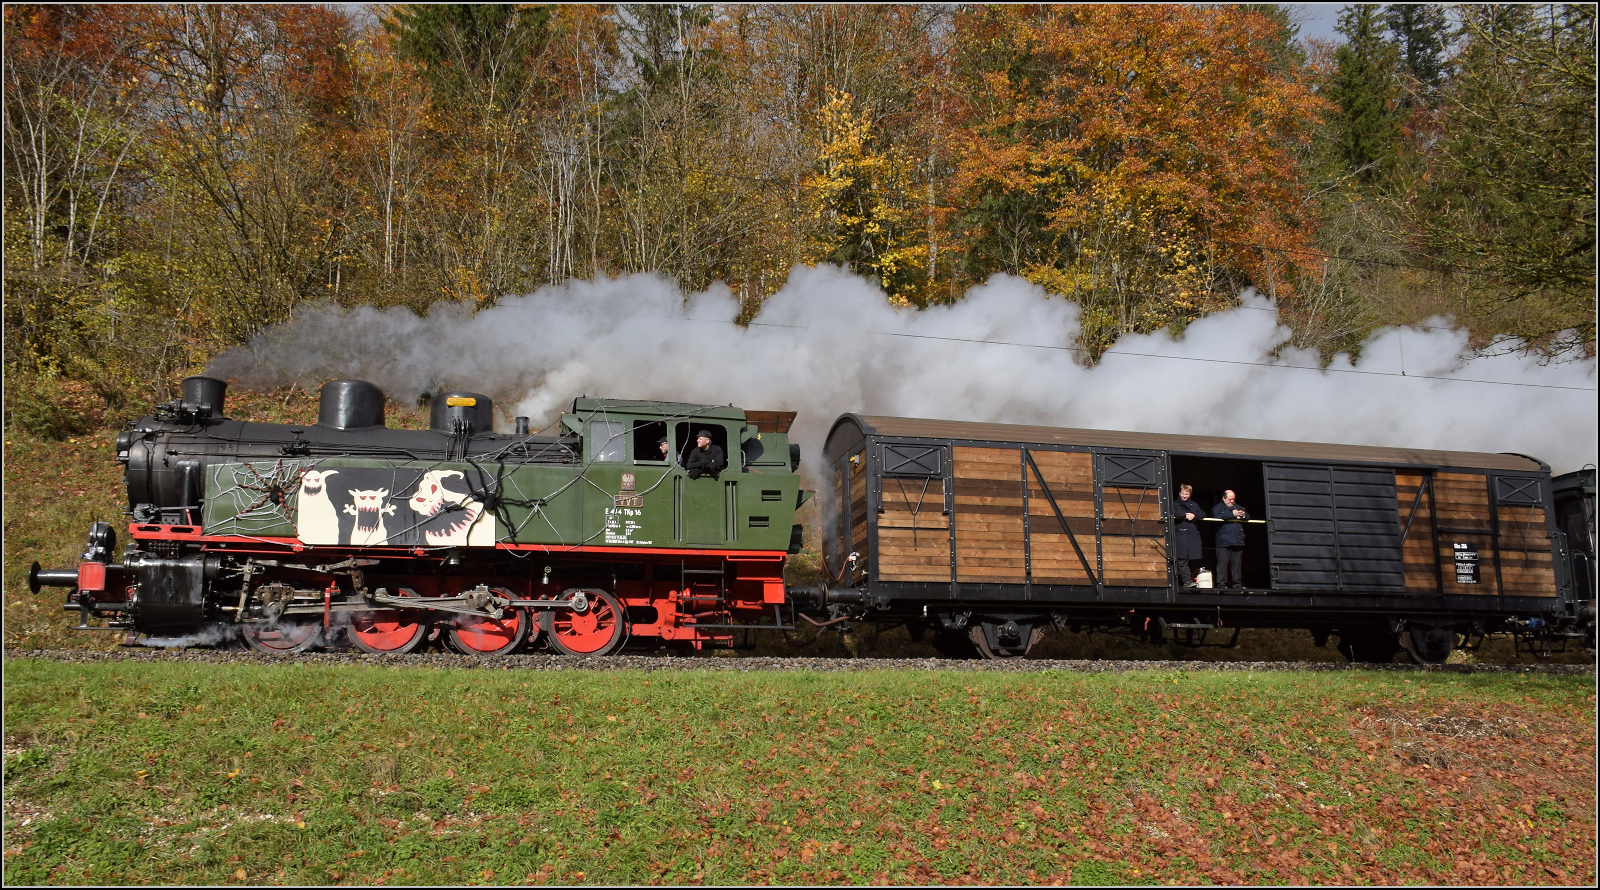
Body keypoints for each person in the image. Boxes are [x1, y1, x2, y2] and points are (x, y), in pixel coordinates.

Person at [1211, 489, 1250, 589]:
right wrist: (1233, 514)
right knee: (1222, 564)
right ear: (1224, 498)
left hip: (1237, 540)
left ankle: (1237, 584)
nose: (1232, 501)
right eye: (1230, 499)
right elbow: (1216, 516)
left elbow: (1248, 516)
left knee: (1236, 564)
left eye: (1233, 499)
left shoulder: (1237, 507)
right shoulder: (1218, 507)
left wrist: (1244, 515)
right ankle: (1221, 584)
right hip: (1223, 541)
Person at [1173, 483, 1204, 588]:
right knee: (1181, 558)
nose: (1184, 496)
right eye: (1182, 493)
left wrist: (1194, 516)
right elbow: (1173, 512)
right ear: (1179, 493)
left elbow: (1202, 514)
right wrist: (1185, 515)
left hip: (1191, 535)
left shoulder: (1194, 505)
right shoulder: (1175, 504)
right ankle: (1186, 581)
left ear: (1190, 495)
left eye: (1186, 494)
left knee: (1191, 558)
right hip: (1181, 534)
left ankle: (1190, 580)